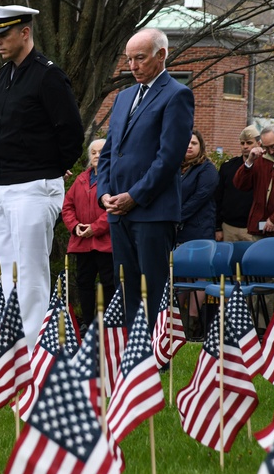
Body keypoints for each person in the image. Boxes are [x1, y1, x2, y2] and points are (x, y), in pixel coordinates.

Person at [0, 4, 83, 348]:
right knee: (2, 270)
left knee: (30, 273)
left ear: (24, 32)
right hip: (3, 185)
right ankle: (7, 345)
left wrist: (54, 166)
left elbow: (71, 130)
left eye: (4, 34)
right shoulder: (6, 74)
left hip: (34, 186)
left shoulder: (48, 75)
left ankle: (34, 349)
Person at [97, 27, 195, 328]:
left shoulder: (177, 95)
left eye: (140, 58)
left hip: (152, 212)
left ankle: (154, 358)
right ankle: (131, 358)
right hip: (117, 211)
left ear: (161, 55)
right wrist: (104, 193)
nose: (133, 66)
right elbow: (108, 152)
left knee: (152, 289)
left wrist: (134, 196)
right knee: (125, 287)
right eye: (128, 60)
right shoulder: (124, 97)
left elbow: (168, 158)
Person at [61, 139, 114, 329]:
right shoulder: (81, 179)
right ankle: (88, 323)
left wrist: (96, 227)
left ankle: (108, 323)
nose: (97, 156)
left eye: (101, 152)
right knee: (84, 282)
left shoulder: (114, 178)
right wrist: (75, 226)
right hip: (82, 241)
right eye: (93, 152)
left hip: (106, 242)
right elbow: (67, 206)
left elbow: (114, 208)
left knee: (109, 282)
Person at [233, 123, 274, 238]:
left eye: (273, 147)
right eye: (266, 147)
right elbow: (240, 185)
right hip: (260, 228)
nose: (271, 152)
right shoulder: (260, 159)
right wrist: (249, 162)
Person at [214, 126, 258, 242]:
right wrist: (217, 227)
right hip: (229, 227)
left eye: (249, 143)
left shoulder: (264, 167)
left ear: (258, 143)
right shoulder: (228, 167)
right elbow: (218, 198)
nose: (245, 146)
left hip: (253, 228)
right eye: (242, 143)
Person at [178, 130, 219, 243]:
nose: (189, 146)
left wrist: (177, 216)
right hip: (177, 231)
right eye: (186, 142)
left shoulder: (207, 169)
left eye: (194, 143)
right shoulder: (175, 168)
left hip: (198, 230)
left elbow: (200, 197)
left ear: (201, 146)